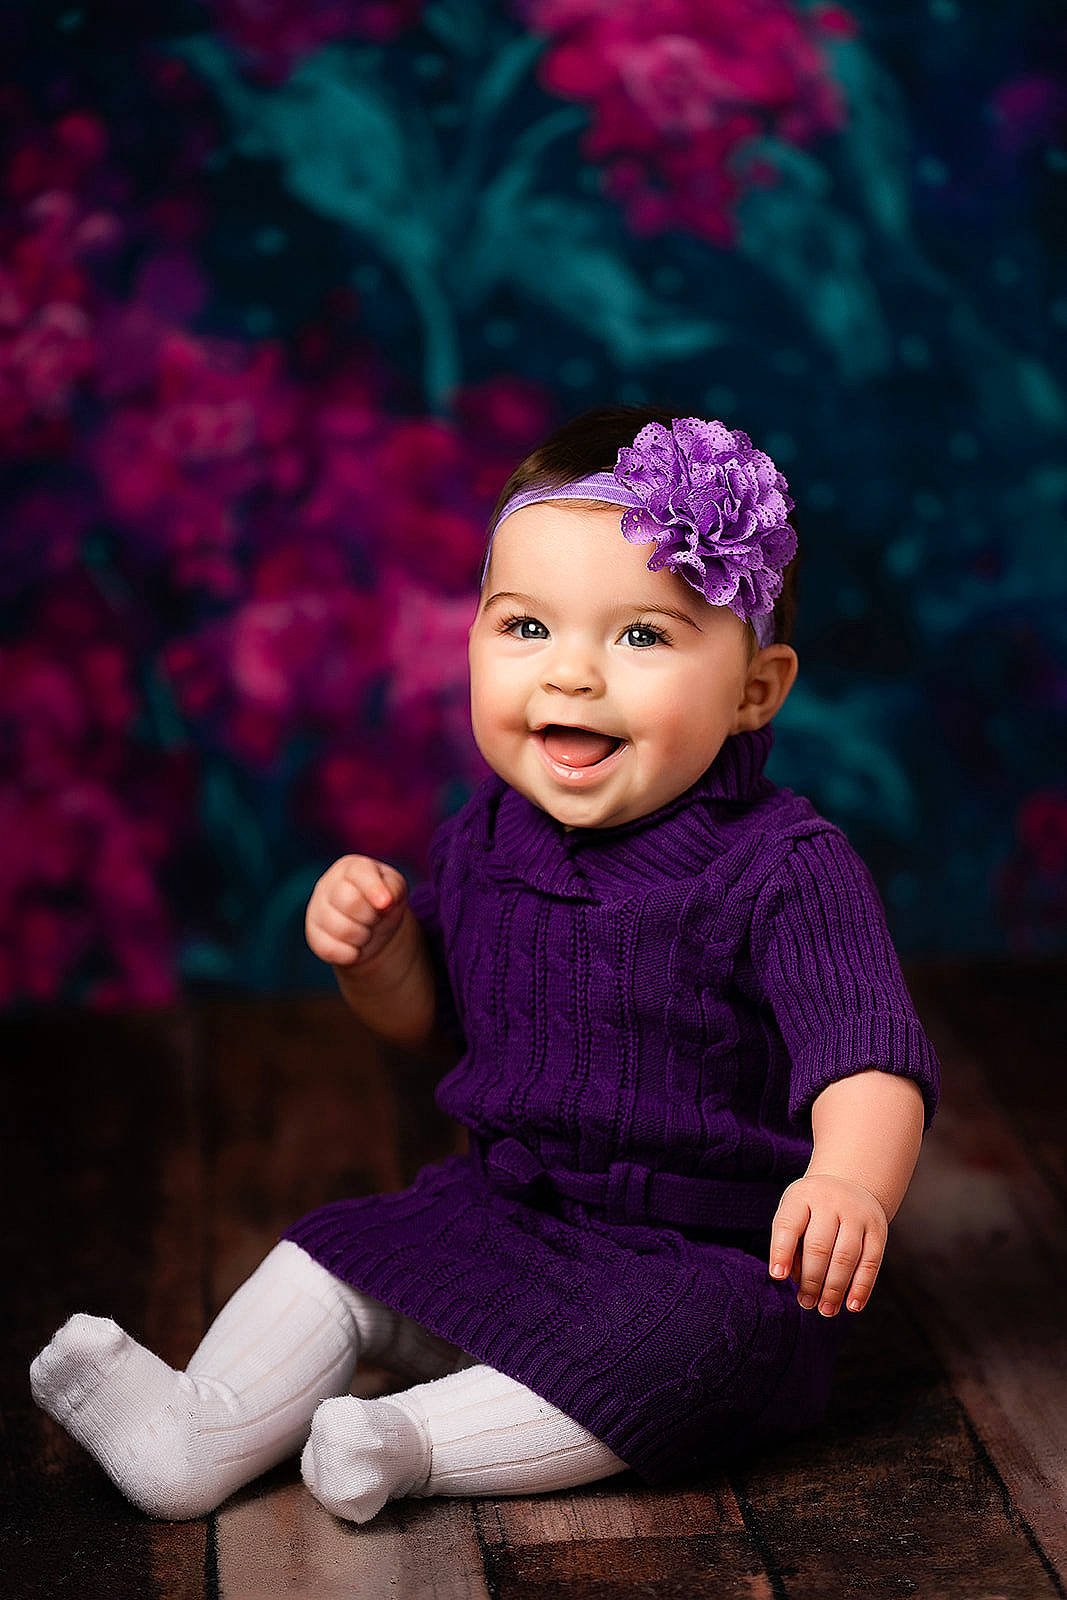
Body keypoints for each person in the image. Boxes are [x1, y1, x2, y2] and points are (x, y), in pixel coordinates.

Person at [30, 405, 941, 1525]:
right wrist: (380, 953)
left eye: (640, 637)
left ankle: (408, 1443)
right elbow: (436, 1024)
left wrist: (849, 1177)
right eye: (524, 627)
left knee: (679, 1353)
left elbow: (867, 1053)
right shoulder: (484, 835)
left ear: (755, 689)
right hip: (504, 1208)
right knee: (335, 1254)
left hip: (696, 1256)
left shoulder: (782, 868)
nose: (569, 676)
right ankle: (195, 1429)